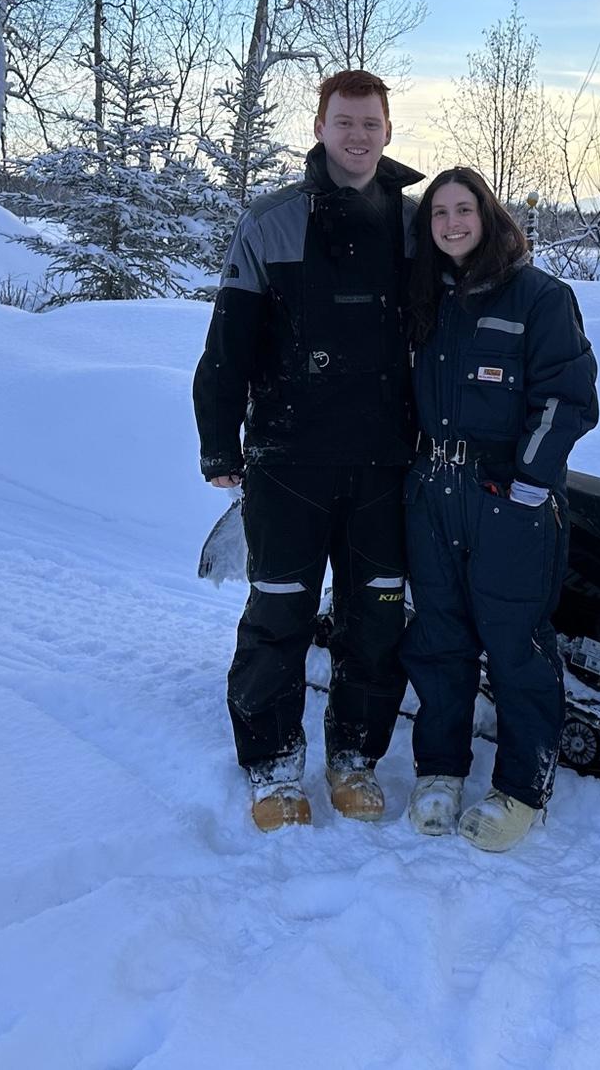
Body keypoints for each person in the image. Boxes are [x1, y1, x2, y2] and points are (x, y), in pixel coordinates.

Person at [193, 70, 421, 833]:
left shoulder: (418, 224)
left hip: (387, 462)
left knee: (376, 617)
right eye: (344, 122)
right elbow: (226, 346)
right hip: (288, 460)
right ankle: (272, 765)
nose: (358, 136)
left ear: (388, 130)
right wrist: (218, 441)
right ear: (320, 127)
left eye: (371, 123)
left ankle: (354, 758)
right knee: (281, 615)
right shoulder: (272, 223)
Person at [401, 167, 598, 851]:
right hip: (432, 492)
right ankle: (440, 771)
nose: (452, 224)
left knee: (516, 646)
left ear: (489, 216)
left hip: (507, 499)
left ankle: (521, 788)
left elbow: (567, 398)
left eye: (464, 210)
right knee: (439, 638)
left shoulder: (539, 297)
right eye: (438, 214)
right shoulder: (424, 297)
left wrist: (531, 484)